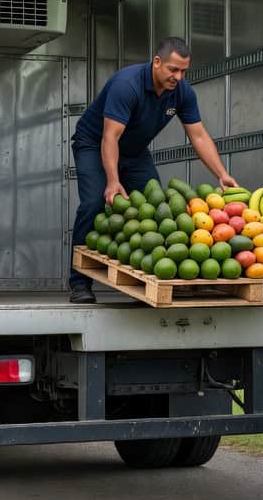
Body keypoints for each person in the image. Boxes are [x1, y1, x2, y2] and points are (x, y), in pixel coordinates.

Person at [68, 36, 237, 303]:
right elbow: (110, 137)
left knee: (160, 207)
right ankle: (79, 284)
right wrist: (112, 181)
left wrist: (222, 174)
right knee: (93, 203)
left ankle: (148, 280)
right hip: (94, 143)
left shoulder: (182, 92)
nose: (178, 77)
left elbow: (199, 136)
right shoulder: (127, 85)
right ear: (156, 62)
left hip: (134, 152)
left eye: (183, 71)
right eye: (173, 69)